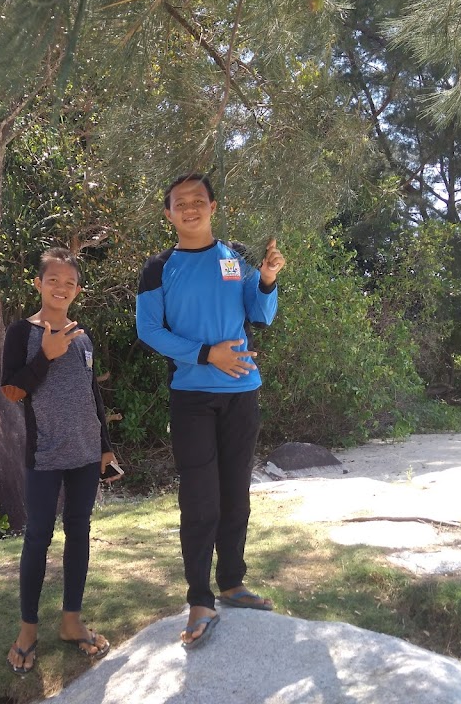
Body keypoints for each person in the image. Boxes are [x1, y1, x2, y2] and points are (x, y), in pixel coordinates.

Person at [135, 173, 285, 650]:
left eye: (199, 200)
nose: (190, 207)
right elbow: (148, 330)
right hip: (192, 396)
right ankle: (200, 598)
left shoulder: (235, 256)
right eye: (181, 202)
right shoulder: (158, 268)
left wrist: (267, 279)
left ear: (213, 207)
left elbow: (260, 314)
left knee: (236, 493)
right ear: (169, 214)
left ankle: (232, 582)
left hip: (242, 391)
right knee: (201, 499)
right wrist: (206, 355)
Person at [0, 247, 120, 675]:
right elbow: (11, 391)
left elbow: (92, 393)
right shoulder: (21, 333)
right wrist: (45, 356)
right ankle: (27, 631)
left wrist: (105, 445)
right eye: (53, 280)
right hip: (45, 454)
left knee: (79, 532)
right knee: (37, 537)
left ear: (78, 290)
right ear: (38, 284)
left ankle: (72, 622)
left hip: (86, 454)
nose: (61, 288)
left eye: (69, 283)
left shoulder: (82, 336)